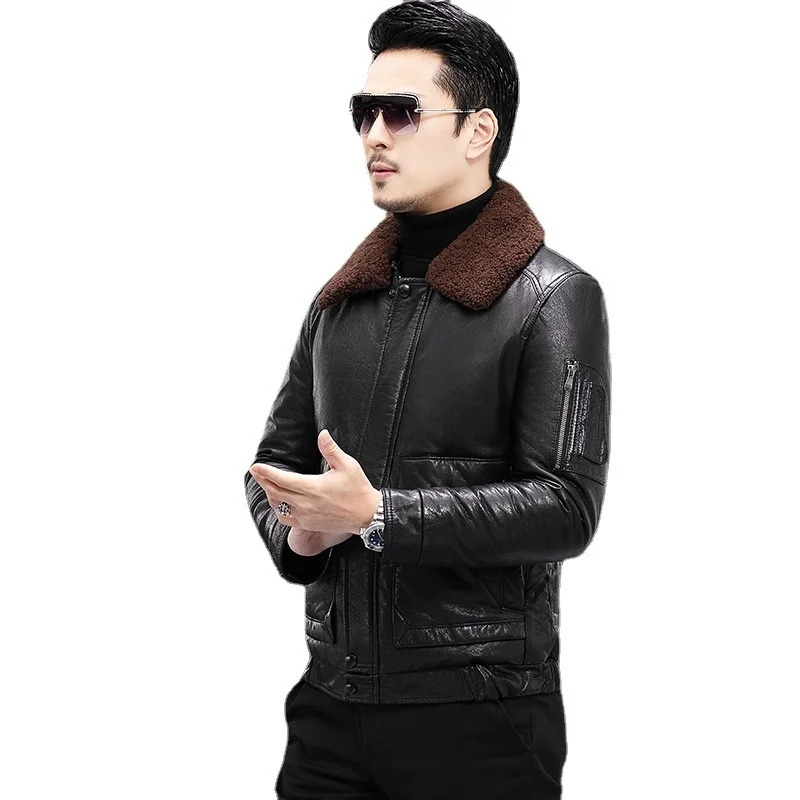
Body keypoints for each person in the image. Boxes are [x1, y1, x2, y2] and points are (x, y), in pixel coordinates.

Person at [244, 2, 611, 797]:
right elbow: (272, 464)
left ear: (479, 132)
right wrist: (301, 532)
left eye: (402, 113)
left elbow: (567, 507)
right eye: (363, 113)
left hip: (480, 722)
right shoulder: (340, 301)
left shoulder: (554, 297)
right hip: (328, 711)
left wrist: (378, 515)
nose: (374, 136)